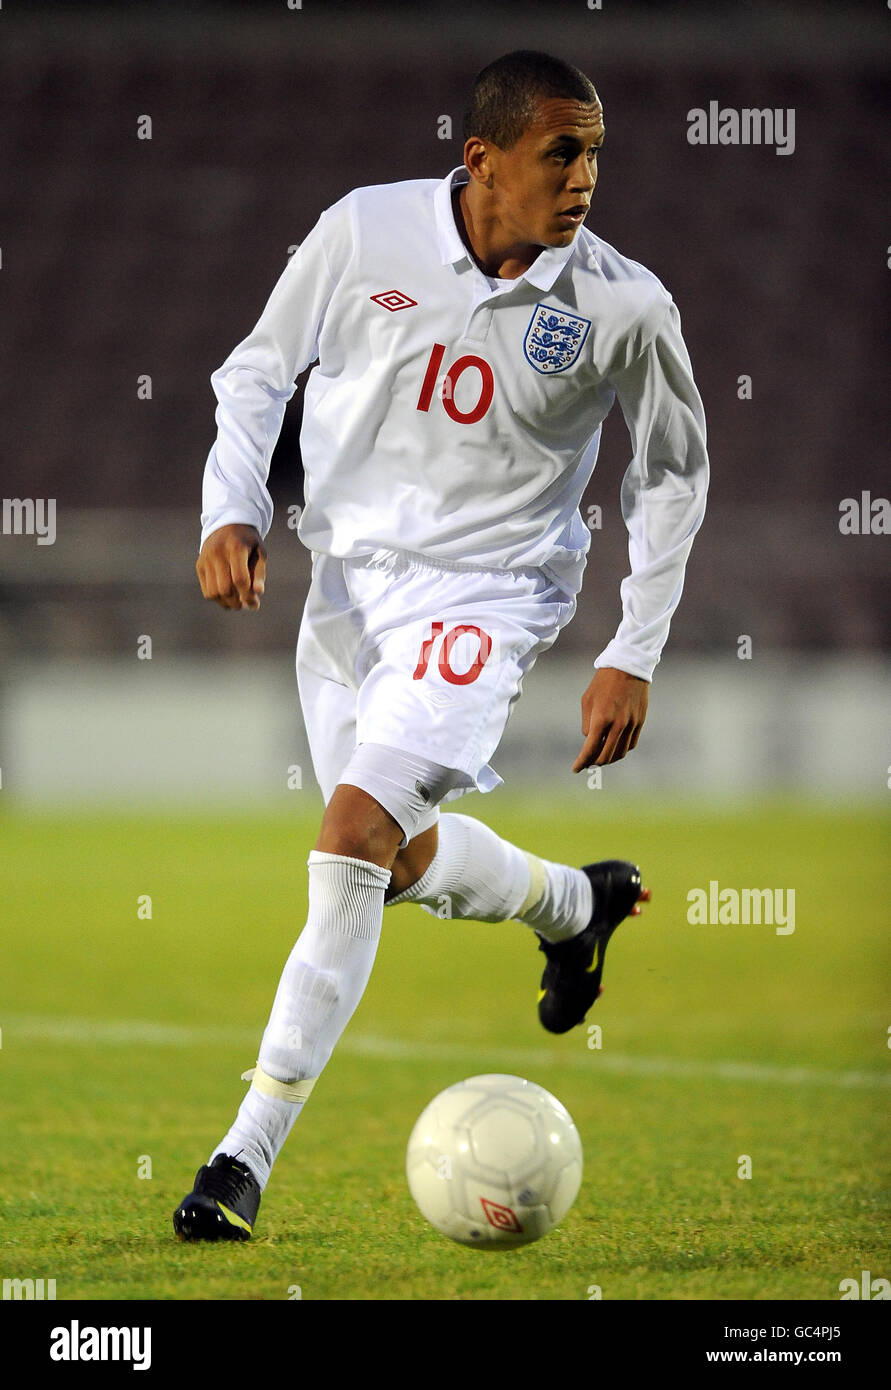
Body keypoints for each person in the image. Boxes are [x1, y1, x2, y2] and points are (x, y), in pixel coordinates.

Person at [173, 49, 708, 1241]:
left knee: (350, 837)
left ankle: (240, 1155)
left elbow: (673, 473)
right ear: (483, 161)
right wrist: (233, 506)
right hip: (349, 588)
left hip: (490, 596)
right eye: (561, 151)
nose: (585, 177)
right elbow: (257, 371)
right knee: (395, 861)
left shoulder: (623, 304)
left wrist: (636, 644)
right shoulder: (365, 235)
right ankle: (575, 904)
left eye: (596, 152)